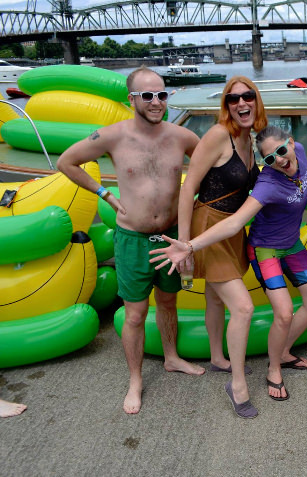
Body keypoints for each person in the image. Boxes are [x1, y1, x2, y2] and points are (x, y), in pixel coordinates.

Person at [57, 67, 205, 415]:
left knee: (168, 302)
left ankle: (171, 357)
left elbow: (210, 168)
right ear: (132, 99)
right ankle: (135, 380)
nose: (156, 102)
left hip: (170, 239)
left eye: (162, 95)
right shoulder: (112, 136)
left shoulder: (182, 136)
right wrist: (105, 194)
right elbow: (67, 162)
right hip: (132, 240)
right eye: (147, 96)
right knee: (136, 314)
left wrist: (197, 208)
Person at [151, 126, 307, 406]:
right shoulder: (268, 183)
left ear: (291, 143)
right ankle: (274, 368)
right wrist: (190, 245)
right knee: (283, 313)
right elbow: (235, 222)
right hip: (265, 248)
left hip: (292, 244)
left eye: (282, 150)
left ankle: (282, 350)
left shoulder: (300, 153)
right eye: (269, 159)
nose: (279, 160)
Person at [172, 76, 263, 418]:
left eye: (248, 96)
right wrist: (184, 244)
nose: (241, 104)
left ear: (257, 100)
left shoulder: (248, 137)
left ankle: (216, 357)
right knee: (242, 307)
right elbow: (188, 187)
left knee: (214, 296)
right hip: (208, 225)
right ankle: (237, 385)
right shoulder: (218, 135)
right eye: (233, 99)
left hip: (232, 229)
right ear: (225, 106)